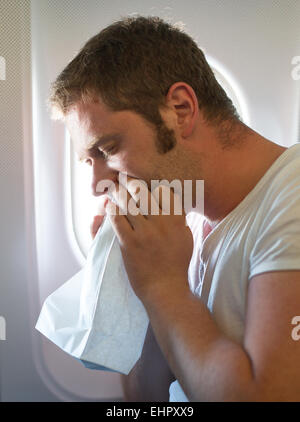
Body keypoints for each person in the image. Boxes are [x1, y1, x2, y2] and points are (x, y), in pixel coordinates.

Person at [48, 15, 300, 401]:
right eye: (89, 160)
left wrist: (163, 285)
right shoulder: (183, 228)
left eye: (109, 149)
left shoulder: (291, 195)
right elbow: (147, 399)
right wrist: (136, 281)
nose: (98, 184)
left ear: (180, 110)